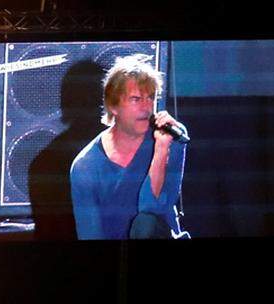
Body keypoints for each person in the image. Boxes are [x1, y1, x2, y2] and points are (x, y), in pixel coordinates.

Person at [70, 54, 188, 240]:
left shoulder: (172, 137)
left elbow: (154, 209)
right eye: (136, 99)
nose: (146, 107)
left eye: (150, 98)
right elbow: (90, 234)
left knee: (145, 222)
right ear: (113, 106)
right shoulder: (85, 167)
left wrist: (161, 150)